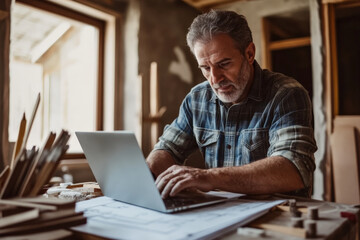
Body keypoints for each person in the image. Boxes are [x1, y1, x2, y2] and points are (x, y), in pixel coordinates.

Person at [146, 10, 317, 199]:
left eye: (224, 64)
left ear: (250, 53)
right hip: (220, 212)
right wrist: (149, 173)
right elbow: (167, 148)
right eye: (205, 68)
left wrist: (209, 177)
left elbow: (294, 169)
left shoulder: (286, 94)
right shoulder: (197, 99)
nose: (215, 79)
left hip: (280, 214)